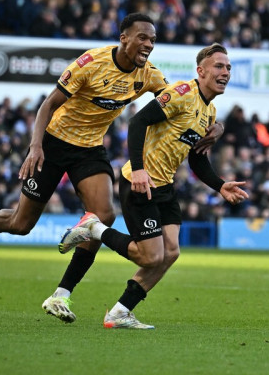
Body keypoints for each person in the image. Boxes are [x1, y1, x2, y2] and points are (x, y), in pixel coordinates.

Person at [0, 13, 223, 323]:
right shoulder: (90, 63)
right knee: (21, 224)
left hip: (90, 150)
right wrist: (36, 146)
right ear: (124, 38)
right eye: (142, 37)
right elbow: (49, 104)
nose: (148, 44)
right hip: (54, 144)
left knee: (103, 216)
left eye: (152, 40)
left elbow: (184, 104)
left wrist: (216, 125)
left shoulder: (149, 75)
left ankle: (61, 295)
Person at [58, 43, 248, 328]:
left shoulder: (209, 113)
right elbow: (137, 122)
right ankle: (94, 229)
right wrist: (138, 170)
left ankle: (120, 312)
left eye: (229, 68)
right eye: (219, 66)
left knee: (170, 253)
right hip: (140, 183)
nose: (225, 72)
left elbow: (196, 159)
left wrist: (220, 186)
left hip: (164, 186)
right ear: (201, 71)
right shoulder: (183, 93)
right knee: (150, 257)